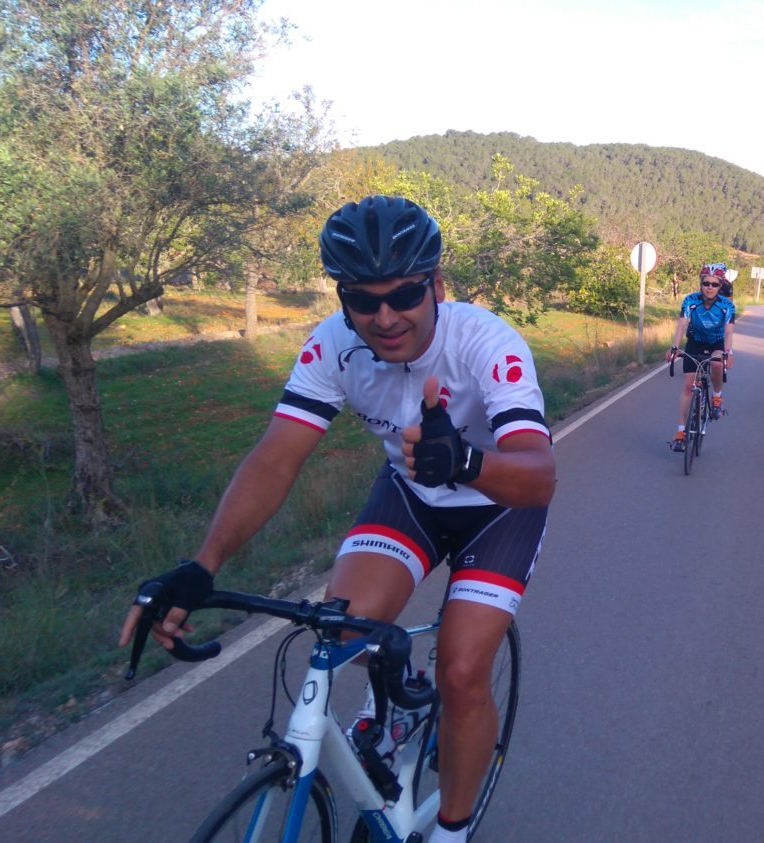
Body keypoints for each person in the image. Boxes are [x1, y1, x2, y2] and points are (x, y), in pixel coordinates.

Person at [118, 196, 555, 843]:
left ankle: (452, 830)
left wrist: (463, 461)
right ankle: (395, 705)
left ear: (436, 284)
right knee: (345, 619)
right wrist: (203, 563)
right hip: (410, 493)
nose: (384, 316)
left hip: (498, 505)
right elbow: (276, 456)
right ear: (342, 295)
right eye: (362, 298)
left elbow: (539, 472)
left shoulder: (488, 343)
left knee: (462, 671)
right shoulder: (332, 345)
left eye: (404, 294)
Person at [666, 265, 737, 450]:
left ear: (720, 286)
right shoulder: (690, 301)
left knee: (716, 364)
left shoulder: (727, 305)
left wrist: (728, 353)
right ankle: (680, 433)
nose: (710, 287)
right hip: (695, 342)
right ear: (701, 284)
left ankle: (717, 398)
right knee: (689, 386)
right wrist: (674, 347)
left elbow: (729, 331)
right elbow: (682, 325)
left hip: (717, 344)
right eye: (706, 283)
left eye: (714, 284)